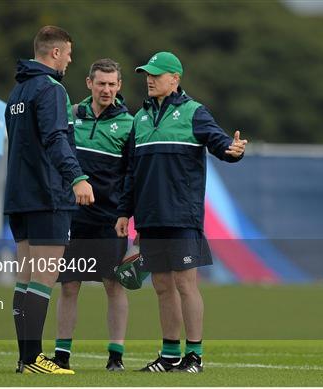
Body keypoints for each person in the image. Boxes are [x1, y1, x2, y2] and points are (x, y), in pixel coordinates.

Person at [115, 52, 247, 373]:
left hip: (182, 217)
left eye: (156, 75)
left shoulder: (194, 113)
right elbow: (132, 172)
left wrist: (233, 151)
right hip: (149, 218)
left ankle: (195, 356)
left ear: (175, 79)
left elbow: (219, 143)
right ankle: (170, 355)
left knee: (186, 285)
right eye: (147, 74)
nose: (149, 79)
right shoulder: (139, 119)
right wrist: (124, 213)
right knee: (161, 286)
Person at [4, 25, 95, 375]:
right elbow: (57, 138)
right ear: (55, 52)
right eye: (69, 53)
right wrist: (78, 177)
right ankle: (33, 359)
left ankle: (24, 359)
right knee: (43, 277)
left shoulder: (18, 91)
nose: (71, 59)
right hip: (47, 196)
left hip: (19, 197)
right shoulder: (51, 89)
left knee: (25, 277)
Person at [53, 59, 134, 372]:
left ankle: (116, 357)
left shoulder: (130, 124)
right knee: (69, 285)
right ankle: (61, 355)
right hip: (73, 218)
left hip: (110, 219)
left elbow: (131, 175)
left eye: (113, 84)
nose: (107, 89)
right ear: (89, 83)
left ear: (119, 86)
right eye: (101, 83)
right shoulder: (71, 116)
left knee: (114, 285)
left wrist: (126, 213)